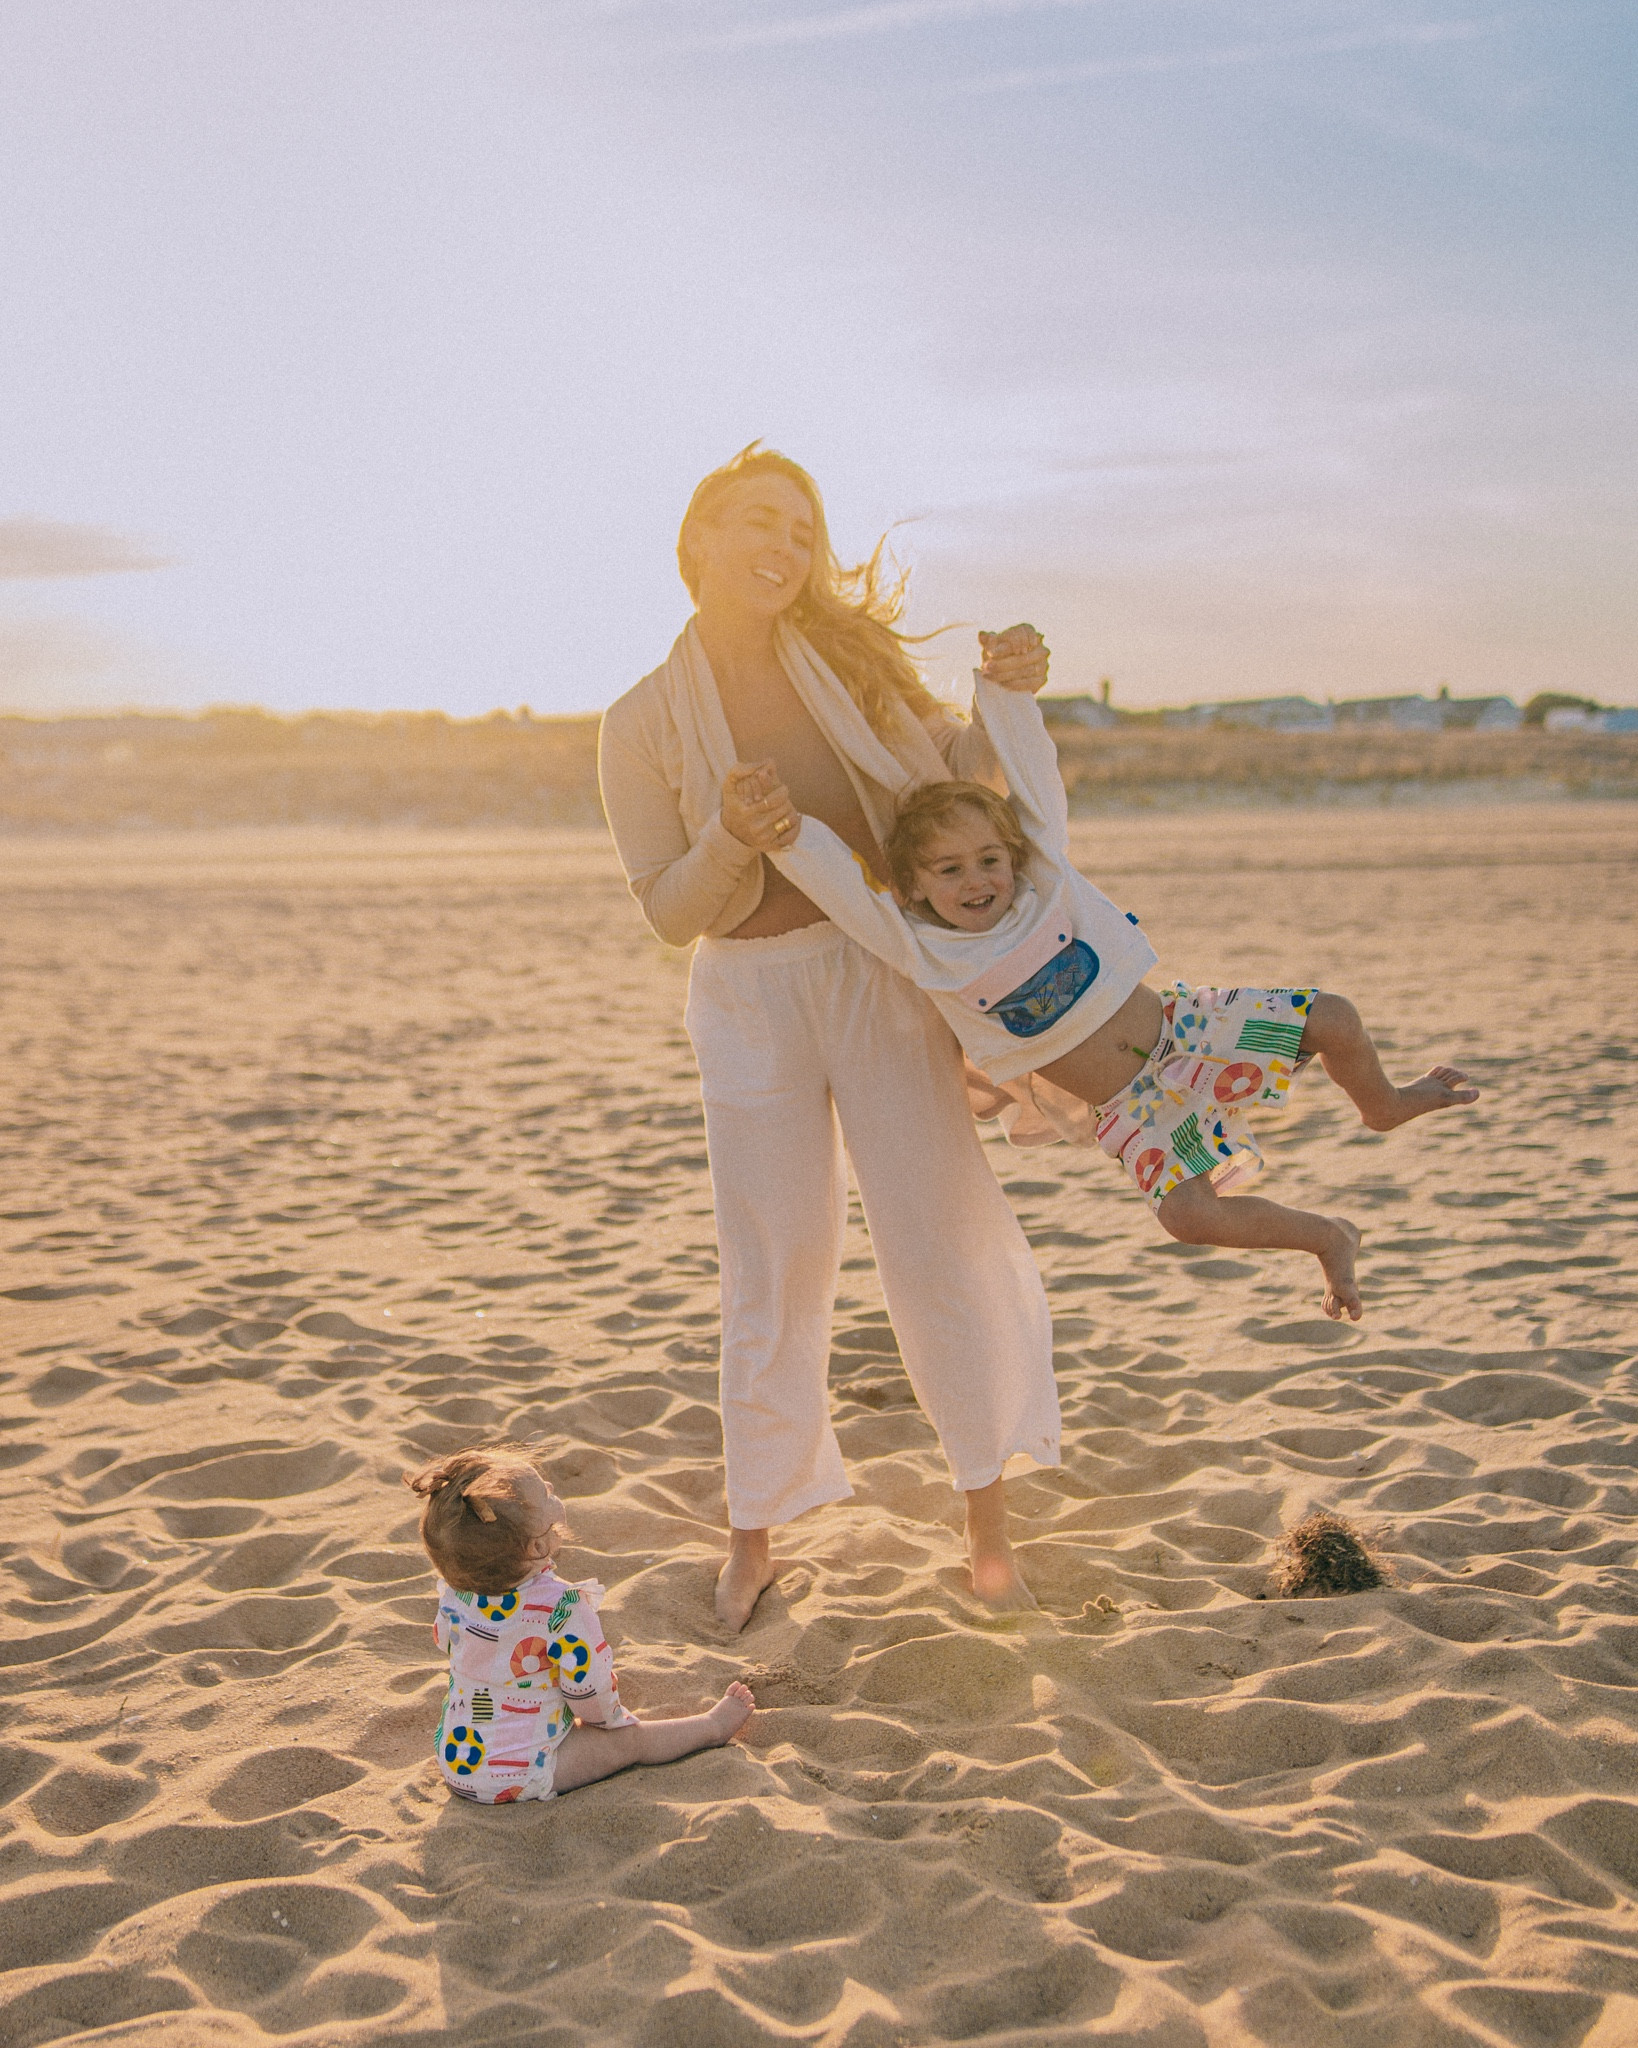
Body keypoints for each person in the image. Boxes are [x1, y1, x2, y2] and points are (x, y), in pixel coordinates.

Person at [598, 444, 1062, 1628]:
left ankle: (989, 1524)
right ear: (700, 537)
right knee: (772, 1264)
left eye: (805, 531)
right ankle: (755, 1527)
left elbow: (951, 782)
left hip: (874, 975)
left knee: (939, 1235)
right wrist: (731, 840)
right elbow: (666, 908)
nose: (789, 548)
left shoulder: (851, 662)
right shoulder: (638, 718)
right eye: (763, 521)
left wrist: (1007, 693)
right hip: (745, 998)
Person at [760, 674, 1480, 1322]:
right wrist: (786, 838)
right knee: (1189, 1216)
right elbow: (849, 893)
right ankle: (1328, 1237)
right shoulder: (922, 946)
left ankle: (1382, 1103)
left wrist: (1005, 694)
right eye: (950, 870)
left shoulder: (1044, 889)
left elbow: (1037, 788)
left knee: (1335, 1017)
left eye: (989, 860)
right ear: (916, 887)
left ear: (1013, 858)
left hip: (1188, 1029)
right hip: (1133, 1106)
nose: (977, 880)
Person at [407, 1443, 754, 1803]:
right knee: (630, 1741)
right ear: (536, 1546)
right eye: (544, 1493)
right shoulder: (561, 1608)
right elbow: (588, 1689)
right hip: (522, 1772)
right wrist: (605, 1723)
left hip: (458, 1761)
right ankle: (711, 1728)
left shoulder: (454, 1594)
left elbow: (445, 1640)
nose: (552, 1489)